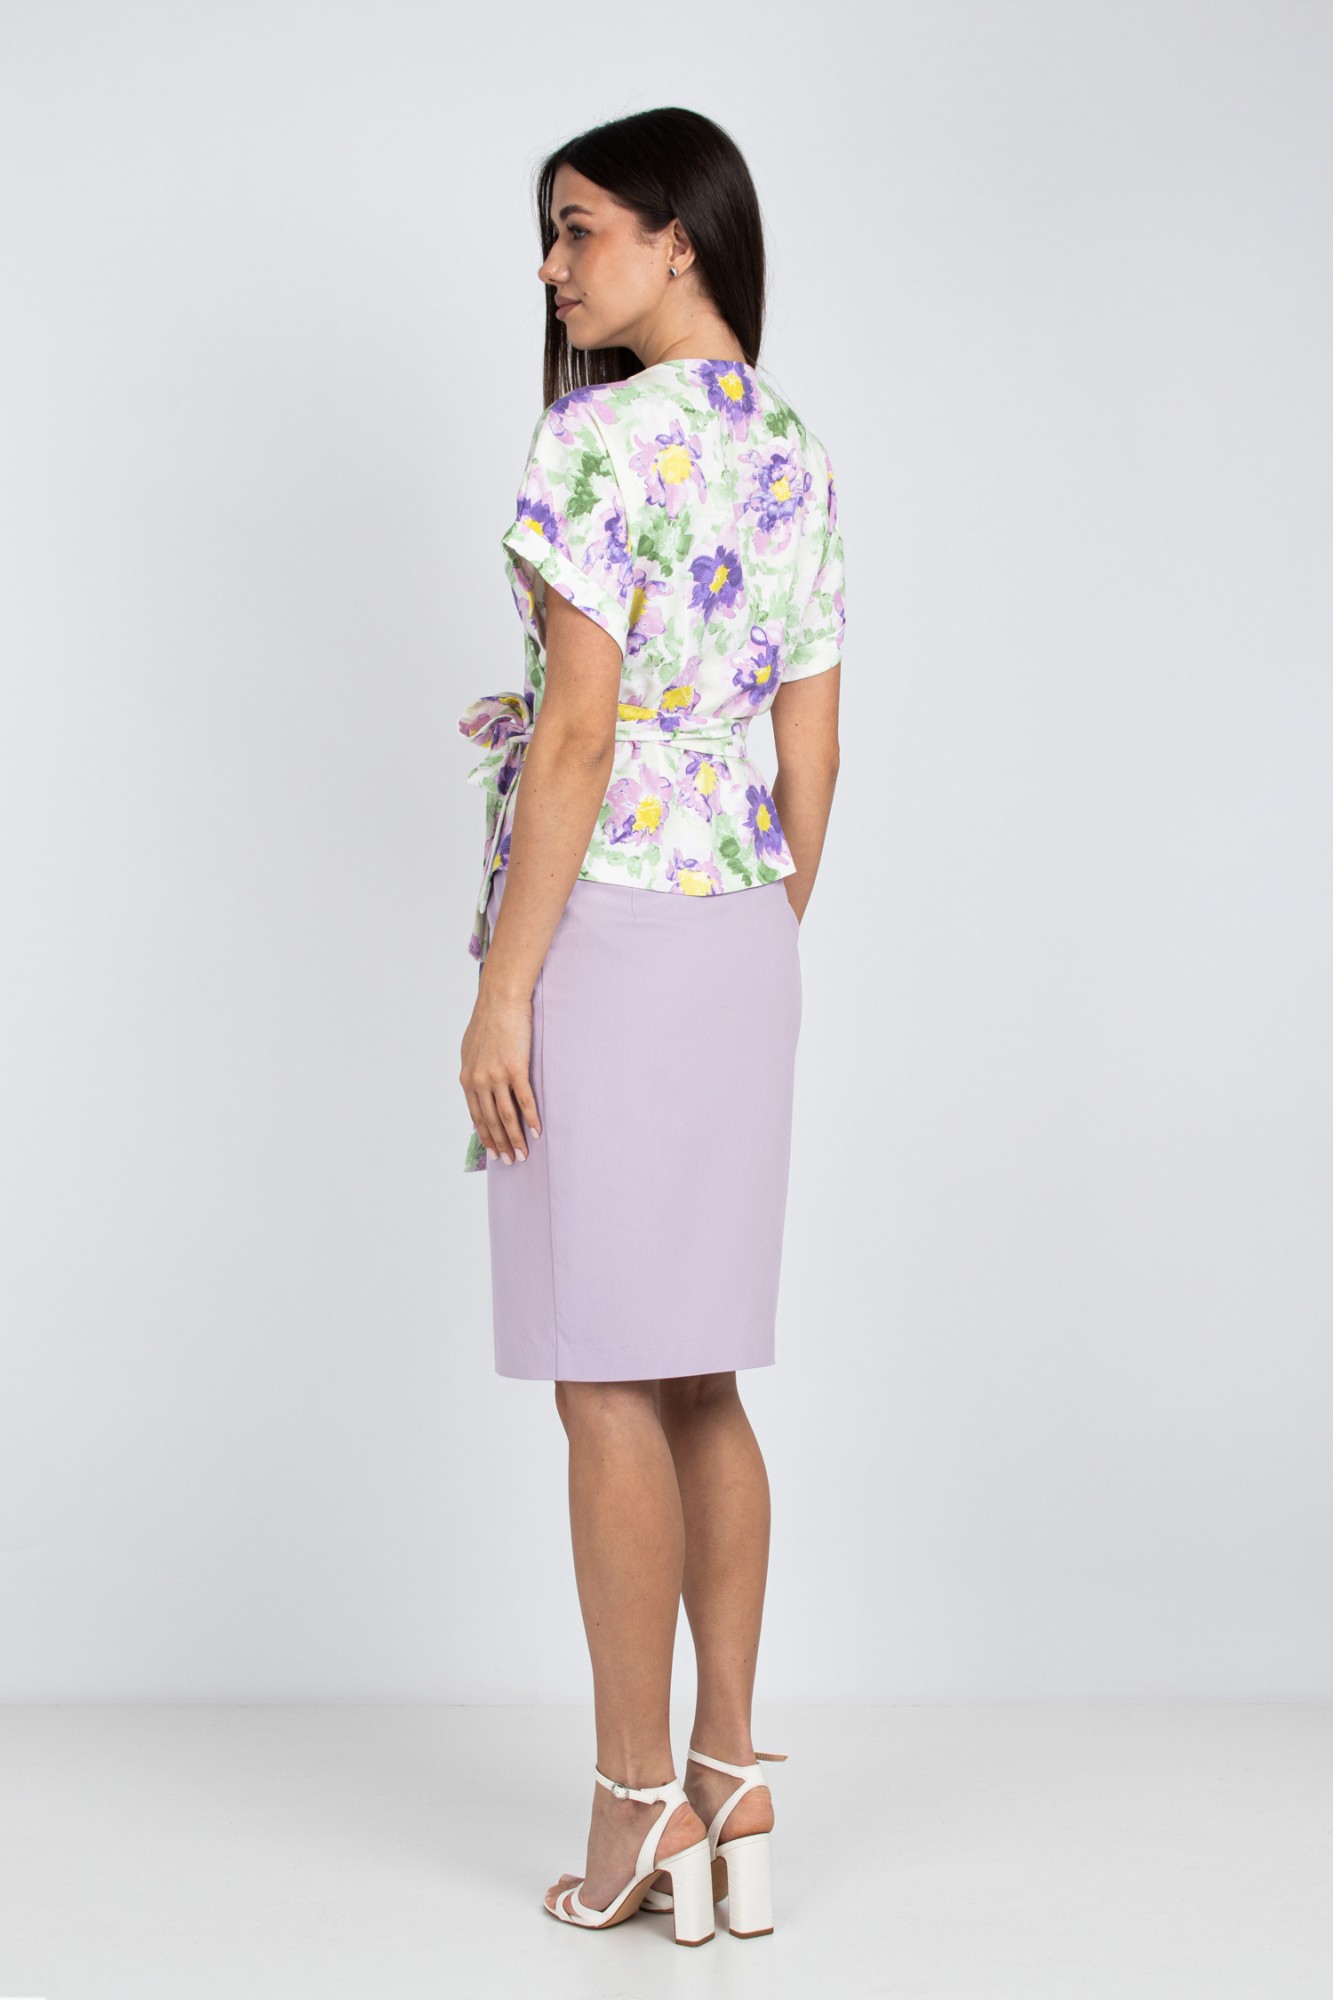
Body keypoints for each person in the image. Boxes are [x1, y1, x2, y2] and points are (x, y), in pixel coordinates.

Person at [457, 106, 844, 1945]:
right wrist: (750, 926)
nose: (553, 267)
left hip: (602, 925)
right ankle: (730, 1771)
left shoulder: (594, 438)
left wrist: (504, 987)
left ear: (679, 235)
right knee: (700, 1375)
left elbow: (580, 732)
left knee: (607, 1375)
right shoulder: (791, 446)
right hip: (741, 929)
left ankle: (634, 1812)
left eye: (578, 227)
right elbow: (811, 745)